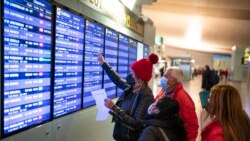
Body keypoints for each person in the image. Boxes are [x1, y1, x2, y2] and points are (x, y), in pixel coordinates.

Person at [98, 53, 159, 141]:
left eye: (134, 71)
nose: (132, 73)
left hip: (130, 138)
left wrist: (114, 107)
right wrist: (104, 63)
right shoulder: (132, 86)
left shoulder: (146, 95)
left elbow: (136, 124)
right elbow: (118, 79)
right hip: (121, 135)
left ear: (140, 76)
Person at [155, 66, 198, 141]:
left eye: (165, 76)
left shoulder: (184, 99)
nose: (162, 78)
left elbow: (191, 126)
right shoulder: (164, 90)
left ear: (174, 81)